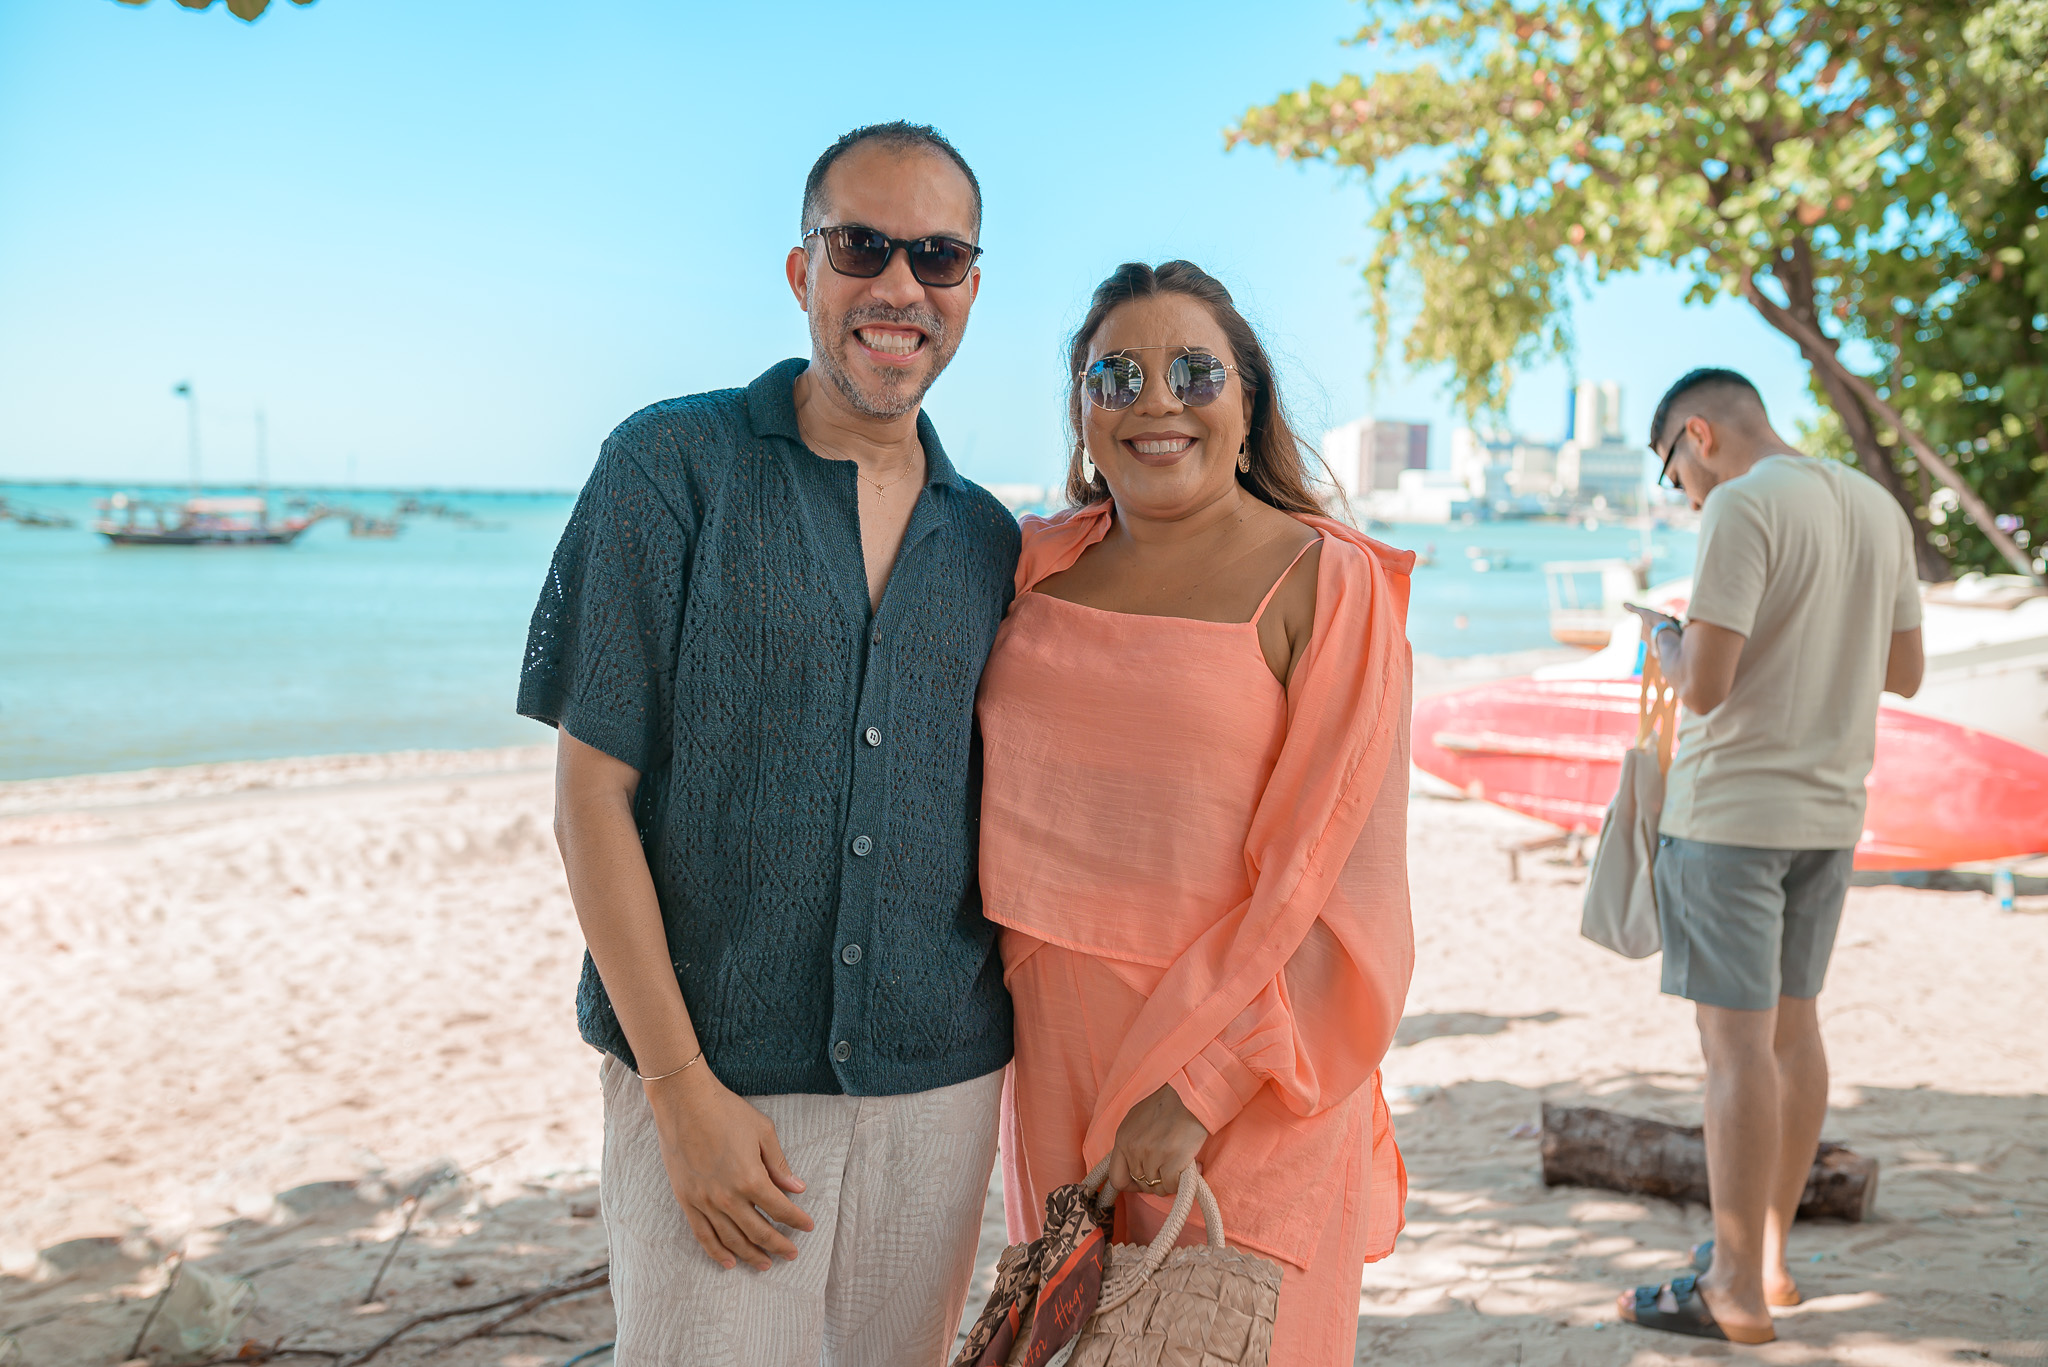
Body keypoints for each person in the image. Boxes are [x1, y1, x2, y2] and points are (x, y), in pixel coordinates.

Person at [517, 122, 1019, 1366]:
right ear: (803, 271)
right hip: (709, 1083)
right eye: (860, 247)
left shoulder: (991, 541)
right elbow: (590, 799)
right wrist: (678, 1089)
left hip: (941, 1093)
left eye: (937, 256)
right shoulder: (666, 465)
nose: (898, 285)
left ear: (968, 287)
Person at [976, 260, 1416, 1364]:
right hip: (1058, 1049)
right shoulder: (1028, 569)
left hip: (1252, 1064)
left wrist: (1197, 1087)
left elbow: (1338, 877)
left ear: (1248, 402)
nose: (1156, 400)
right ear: (1083, 413)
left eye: (1194, 371)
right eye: (1115, 375)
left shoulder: (1324, 582)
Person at [1618, 368, 1925, 1346]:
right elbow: (1905, 671)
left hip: (1730, 818)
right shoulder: (1875, 508)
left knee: (1734, 1050)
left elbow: (1704, 687)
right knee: (1795, 1034)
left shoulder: (1741, 505)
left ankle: (1734, 1291)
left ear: (1697, 433)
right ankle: (1771, 1263)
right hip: (1829, 812)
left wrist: (1667, 641)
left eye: (1672, 471)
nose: (1682, 496)